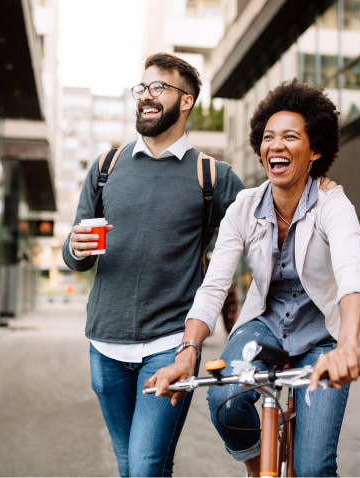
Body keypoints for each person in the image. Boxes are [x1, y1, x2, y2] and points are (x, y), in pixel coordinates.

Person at [147, 79, 360, 477]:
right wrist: (187, 352)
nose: (276, 145)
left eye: (291, 136)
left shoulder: (332, 204)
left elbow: (353, 275)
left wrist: (347, 348)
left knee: (312, 469)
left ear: (315, 150)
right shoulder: (243, 207)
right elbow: (215, 286)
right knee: (224, 397)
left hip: (324, 335)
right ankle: (259, 467)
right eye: (269, 137)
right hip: (266, 326)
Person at [61, 53, 246, 477]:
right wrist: (75, 248)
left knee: (144, 467)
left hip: (169, 345)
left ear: (186, 101)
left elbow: (265, 224)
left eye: (158, 87)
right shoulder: (106, 168)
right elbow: (75, 257)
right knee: (132, 467)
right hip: (104, 345)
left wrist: (315, 182)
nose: (145, 96)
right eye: (141, 88)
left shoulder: (212, 176)